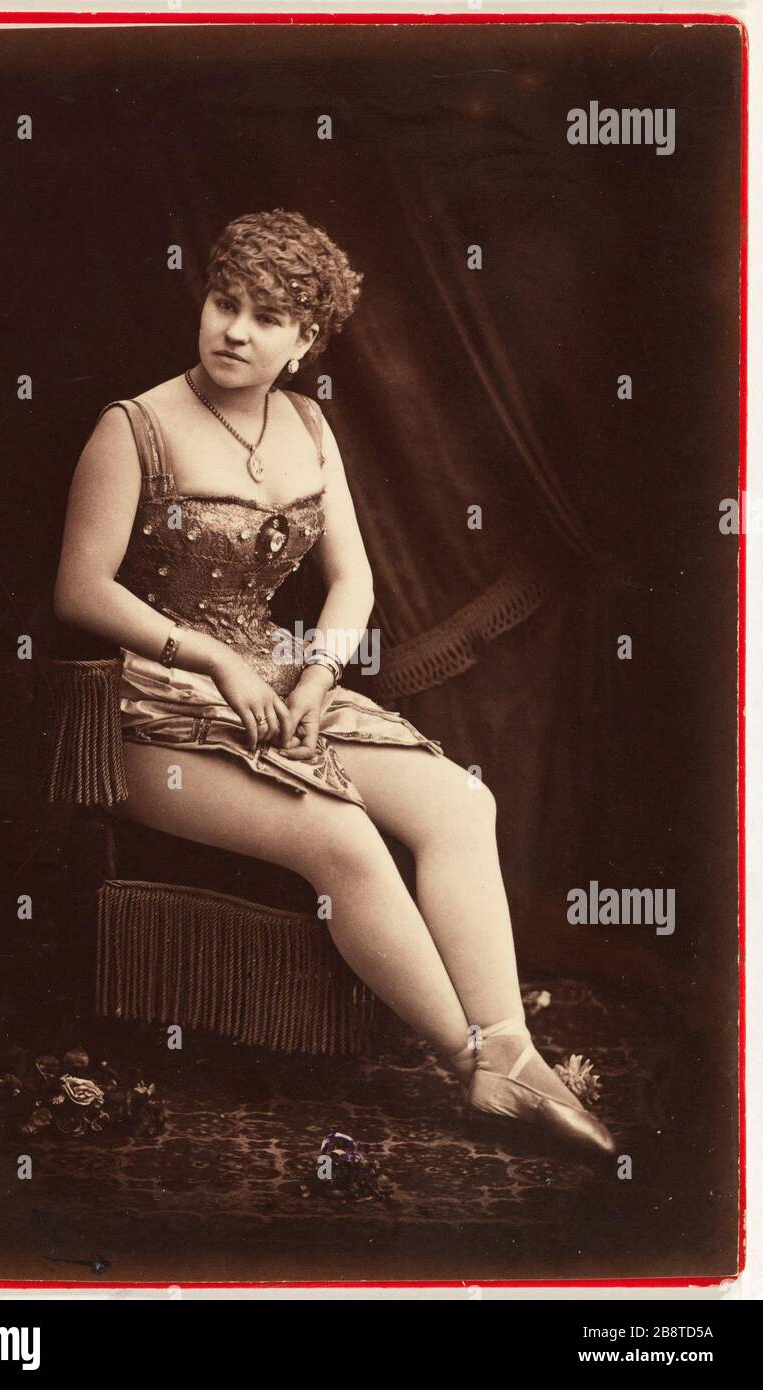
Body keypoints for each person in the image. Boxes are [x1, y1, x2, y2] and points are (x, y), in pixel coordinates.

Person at [54, 207, 617, 1160]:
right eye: (225, 303)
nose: (235, 330)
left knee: (457, 801)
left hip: (280, 678)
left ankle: (512, 1049)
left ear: (307, 339)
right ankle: (472, 1066)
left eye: (267, 318)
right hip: (149, 713)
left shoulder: (310, 423)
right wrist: (218, 658)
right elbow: (78, 590)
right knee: (341, 834)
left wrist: (318, 674)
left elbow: (352, 578)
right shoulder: (134, 427)